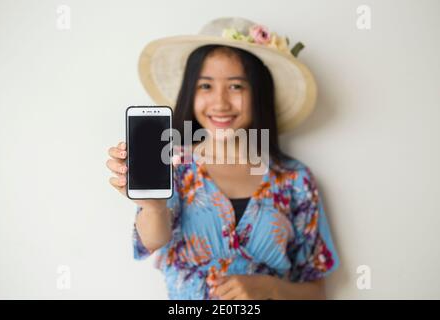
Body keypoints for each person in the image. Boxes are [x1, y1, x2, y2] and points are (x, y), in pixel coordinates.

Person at [106, 17, 339, 300]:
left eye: (236, 86)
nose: (220, 102)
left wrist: (270, 288)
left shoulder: (295, 180)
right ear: (190, 94)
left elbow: (317, 292)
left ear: (258, 93)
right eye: (205, 86)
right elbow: (152, 240)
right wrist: (152, 206)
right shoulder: (173, 165)